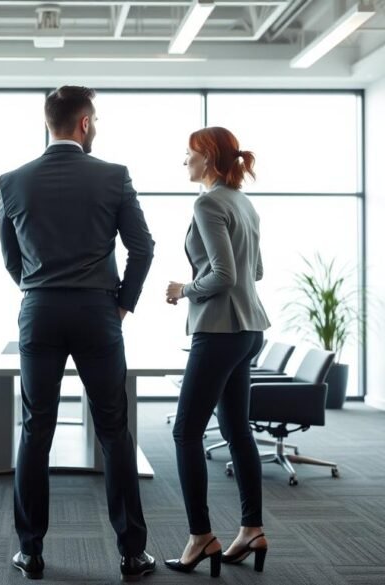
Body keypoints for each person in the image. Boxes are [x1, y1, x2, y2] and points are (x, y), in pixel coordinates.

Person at [0, 85, 157, 582]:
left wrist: (38, 289)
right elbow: (143, 247)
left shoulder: (13, 181)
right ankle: (132, 554)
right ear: (85, 123)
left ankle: (31, 552)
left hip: (39, 311)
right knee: (113, 431)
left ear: (50, 122)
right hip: (96, 314)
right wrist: (123, 304)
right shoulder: (113, 176)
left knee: (35, 431)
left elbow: (10, 255)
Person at [163, 126, 272, 576]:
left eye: (188, 155)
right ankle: (251, 530)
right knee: (236, 428)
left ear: (207, 160)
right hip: (250, 328)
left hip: (221, 331)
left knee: (185, 433)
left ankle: (201, 537)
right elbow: (256, 272)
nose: (183, 161)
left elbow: (223, 276)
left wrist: (183, 288)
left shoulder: (207, 203)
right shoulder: (243, 203)